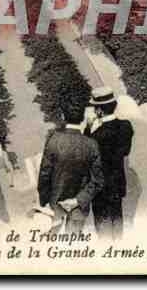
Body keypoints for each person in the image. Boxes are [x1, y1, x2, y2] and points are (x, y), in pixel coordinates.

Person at [37, 106, 104, 234]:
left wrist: (44, 201)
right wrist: (77, 200)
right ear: (83, 118)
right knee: (73, 248)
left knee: (49, 248)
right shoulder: (92, 144)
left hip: (54, 205)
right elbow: (98, 181)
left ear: (63, 117)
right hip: (78, 208)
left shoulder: (53, 140)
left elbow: (44, 174)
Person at [84, 86, 134, 240]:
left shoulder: (96, 136)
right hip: (117, 182)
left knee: (103, 227)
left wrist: (88, 128)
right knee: (117, 220)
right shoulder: (126, 126)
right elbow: (125, 152)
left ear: (99, 110)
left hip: (100, 187)